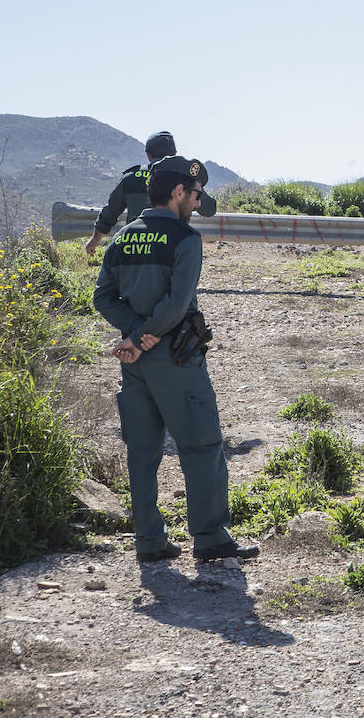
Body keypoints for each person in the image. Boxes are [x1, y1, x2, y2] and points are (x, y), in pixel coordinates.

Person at [92, 156, 257, 565]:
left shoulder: (122, 238)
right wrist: (146, 337)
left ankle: (149, 542)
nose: (199, 202)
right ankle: (211, 538)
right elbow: (177, 303)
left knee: (143, 451)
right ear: (178, 192)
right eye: (196, 194)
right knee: (202, 445)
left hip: (133, 360)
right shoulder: (186, 240)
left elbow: (103, 298)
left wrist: (132, 334)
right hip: (176, 358)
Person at [85, 131, 218, 255]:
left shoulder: (130, 177)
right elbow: (210, 209)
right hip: (171, 246)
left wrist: (94, 241)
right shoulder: (184, 178)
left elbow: (109, 213)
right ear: (175, 154)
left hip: (136, 247)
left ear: (148, 154)